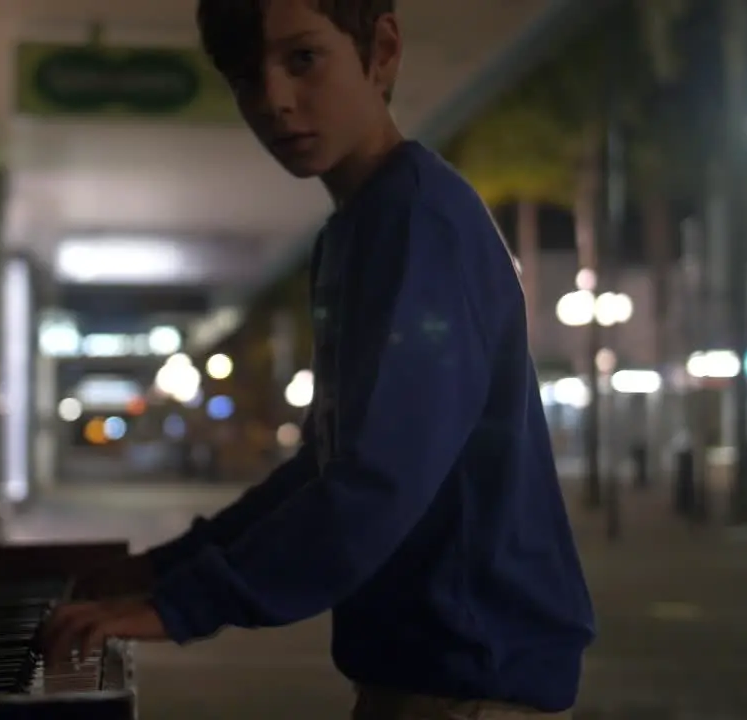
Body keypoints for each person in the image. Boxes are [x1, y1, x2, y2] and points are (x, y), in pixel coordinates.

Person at [39, 0, 595, 716]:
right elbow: (323, 467)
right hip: (434, 670)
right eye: (246, 76)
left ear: (382, 51)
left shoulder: (418, 222)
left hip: (470, 678)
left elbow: (376, 481)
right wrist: (163, 570)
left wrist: (183, 606)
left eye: (303, 59)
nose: (273, 99)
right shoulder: (356, 231)